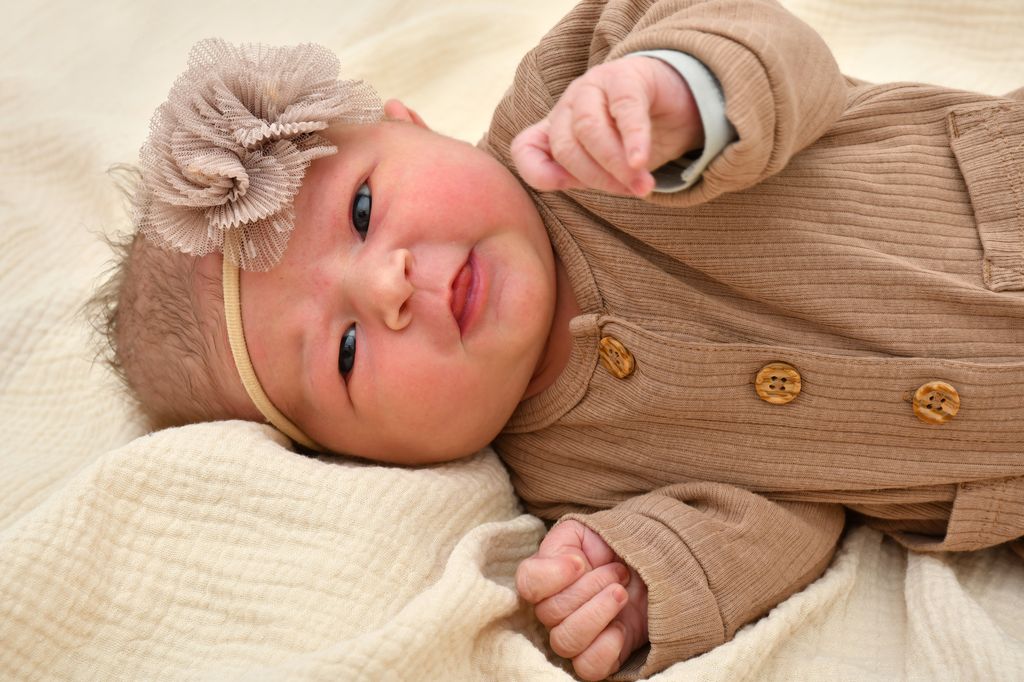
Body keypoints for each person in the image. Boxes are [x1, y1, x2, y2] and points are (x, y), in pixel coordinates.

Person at [92, 0, 1024, 679]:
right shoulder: (563, 480)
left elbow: (777, 52)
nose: (388, 286)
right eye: (343, 353)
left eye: (364, 210)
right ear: (364, 457)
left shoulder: (572, 102)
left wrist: (677, 89)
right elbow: (790, 519)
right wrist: (646, 578)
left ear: (408, 125)